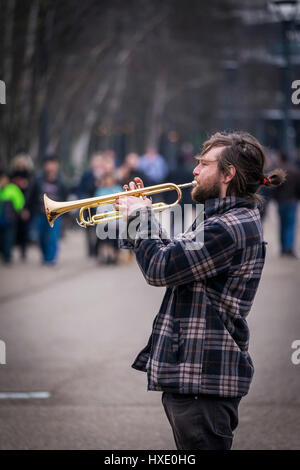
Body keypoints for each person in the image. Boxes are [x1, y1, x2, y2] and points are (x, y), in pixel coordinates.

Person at [115, 131, 286, 450]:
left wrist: (139, 218)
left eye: (204, 164)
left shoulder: (228, 227)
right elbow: (178, 261)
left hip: (204, 376)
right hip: (197, 374)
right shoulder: (219, 218)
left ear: (228, 173)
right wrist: (141, 216)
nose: (194, 170)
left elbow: (161, 269)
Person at [26, 154, 67, 265]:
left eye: (53, 163)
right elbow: (31, 194)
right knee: (41, 236)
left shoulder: (61, 180)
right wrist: (26, 208)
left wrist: (65, 213)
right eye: (49, 163)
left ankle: (51, 258)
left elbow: (65, 197)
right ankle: (45, 256)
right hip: (40, 212)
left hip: (56, 213)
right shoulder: (38, 179)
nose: (51, 166)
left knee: (53, 236)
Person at [272, 151, 300, 258]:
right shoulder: (295, 171)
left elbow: (274, 188)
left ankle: (284, 248)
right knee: (291, 225)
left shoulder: (279, 172)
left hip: (281, 202)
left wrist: (275, 198)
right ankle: (289, 247)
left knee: (282, 225)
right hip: (292, 201)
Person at [0, 170, 25, 263]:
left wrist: (20, 211)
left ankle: (8, 257)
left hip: (10, 219)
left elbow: (19, 202)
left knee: (8, 239)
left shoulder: (13, 189)